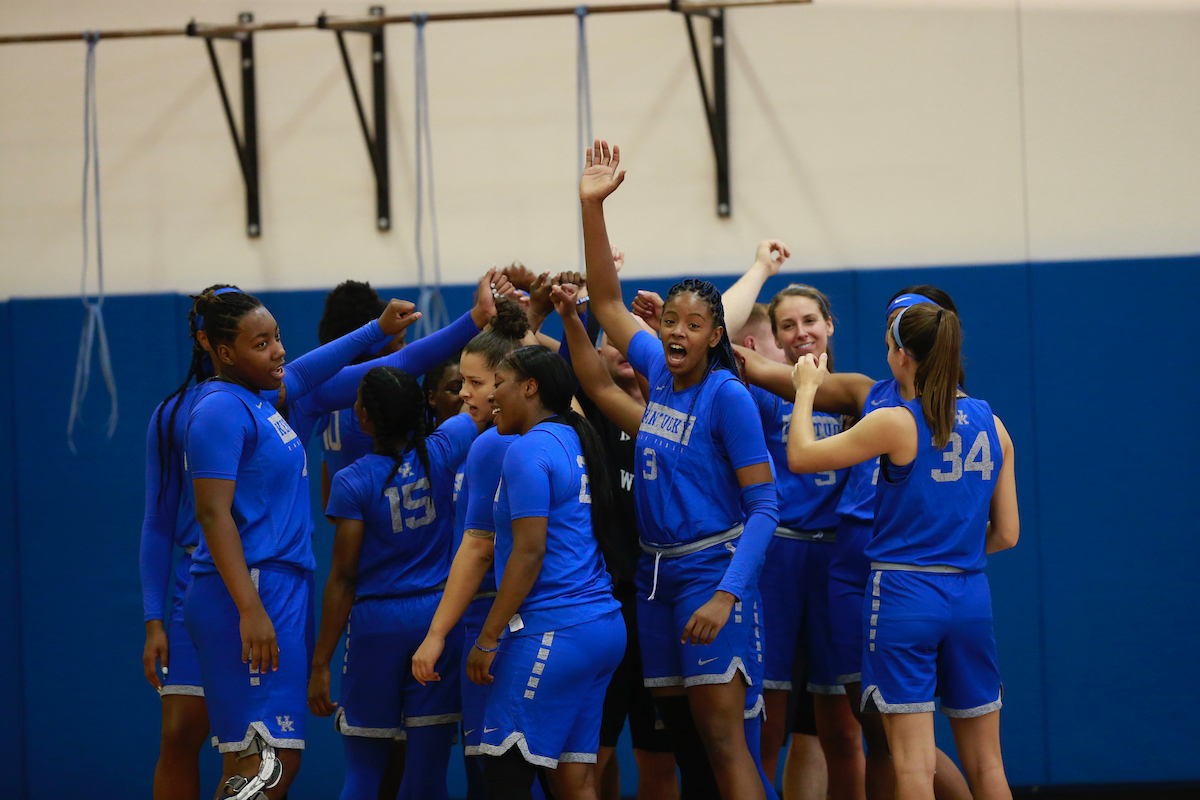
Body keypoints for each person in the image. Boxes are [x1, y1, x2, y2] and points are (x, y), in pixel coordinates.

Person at [140, 284, 417, 800]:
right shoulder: (217, 408)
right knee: (263, 763)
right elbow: (208, 514)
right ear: (221, 350)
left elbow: (312, 369)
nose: (279, 351)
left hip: (275, 585)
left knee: (259, 761)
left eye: (277, 338)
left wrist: (381, 329)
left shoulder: (260, 397)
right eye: (261, 343)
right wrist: (247, 607)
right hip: (249, 586)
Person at [578, 140, 779, 800]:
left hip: (708, 571)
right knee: (690, 753)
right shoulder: (658, 375)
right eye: (672, 321)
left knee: (725, 750)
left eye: (695, 323)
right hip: (654, 578)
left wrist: (727, 594)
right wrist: (592, 208)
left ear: (716, 335)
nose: (678, 332)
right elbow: (606, 302)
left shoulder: (728, 397)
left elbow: (766, 509)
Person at [737, 287, 974, 800]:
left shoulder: (943, 413)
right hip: (846, 565)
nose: (800, 332)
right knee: (874, 725)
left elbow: (800, 452)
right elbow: (755, 368)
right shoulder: (868, 392)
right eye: (788, 324)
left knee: (896, 731)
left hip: (892, 569)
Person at [785, 302, 1018, 800]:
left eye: (889, 348)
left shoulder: (896, 421)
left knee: (912, 766)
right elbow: (1008, 534)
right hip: (971, 594)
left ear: (902, 358)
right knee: (988, 765)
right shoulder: (995, 427)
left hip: (904, 593)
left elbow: (801, 455)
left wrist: (806, 390)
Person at [444, 345, 626, 800]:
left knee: (503, 778)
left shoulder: (526, 450)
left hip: (553, 629)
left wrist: (488, 638)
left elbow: (528, 554)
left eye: (498, 384)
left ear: (530, 388)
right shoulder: (575, 436)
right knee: (575, 781)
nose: (491, 398)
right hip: (603, 628)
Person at [309, 366, 485, 800]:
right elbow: (481, 400)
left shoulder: (352, 481)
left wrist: (319, 664)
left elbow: (344, 577)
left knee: (365, 775)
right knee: (427, 777)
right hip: (435, 622)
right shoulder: (444, 449)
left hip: (376, 625)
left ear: (364, 416)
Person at [551, 284, 679, 800]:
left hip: (663, 596)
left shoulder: (674, 417)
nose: (624, 349)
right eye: (612, 341)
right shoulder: (591, 416)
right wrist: (571, 317)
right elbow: (566, 381)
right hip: (606, 602)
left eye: (637, 341)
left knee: (659, 757)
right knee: (593, 753)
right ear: (597, 352)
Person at [413, 297, 539, 800]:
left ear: (507, 385)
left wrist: (437, 633)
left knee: (500, 776)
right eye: (461, 382)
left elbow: (479, 549)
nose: (464, 394)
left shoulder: (497, 446)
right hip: (499, 620)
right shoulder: (491, 437)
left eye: (475, 384)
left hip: (499, 621)